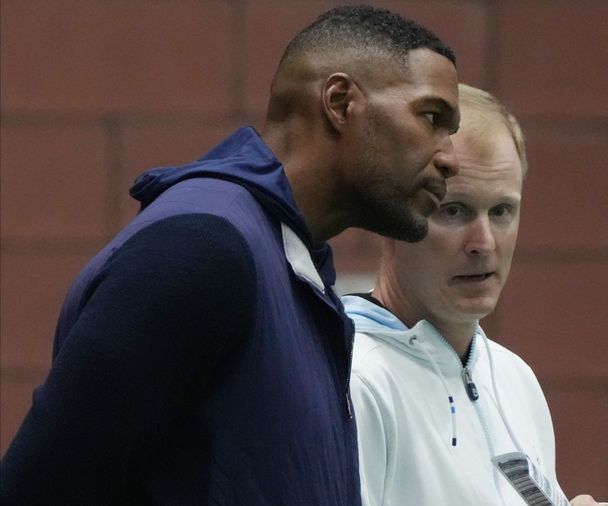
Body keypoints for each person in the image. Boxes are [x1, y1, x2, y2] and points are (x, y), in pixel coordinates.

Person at [0, 6, 460, 505]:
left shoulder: (287, 266)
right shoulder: (199, 250)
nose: (450, 157)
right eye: (432, 117)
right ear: (340, 102)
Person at [344, 84, 608, 506]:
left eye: (502, 211)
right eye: (454, 211)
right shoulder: (353, 380)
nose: (483, 242)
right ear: (391, 217)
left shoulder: (513, 378)